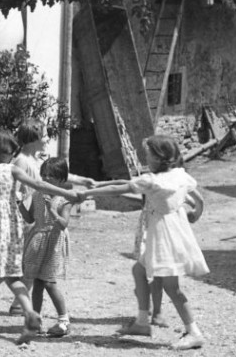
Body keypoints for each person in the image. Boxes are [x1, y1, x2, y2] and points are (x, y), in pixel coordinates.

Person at [0, 127, 80, 344]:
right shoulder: (11, 170)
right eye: (12, 150)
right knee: (12, 276)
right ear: (4, 151)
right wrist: (67, 192)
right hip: (6, 228)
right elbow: (38, 184)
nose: (13, 154)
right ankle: (30, 313)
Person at [82, 135, 208, 351]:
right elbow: (197, 197)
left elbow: (119, 190)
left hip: (164, 237)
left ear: (159, 158)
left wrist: (85, 193)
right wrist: (196, 212)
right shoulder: (178, 174)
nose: (145, 158)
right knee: (140, 271)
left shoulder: (152, 180)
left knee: (172, 287)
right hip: (174, 231)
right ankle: (142, 322)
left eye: (148, 154)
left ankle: (194, 332)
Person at [87, 181, 203, 328]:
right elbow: (198, 202)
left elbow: (195, 201)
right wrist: (195, 213)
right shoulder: (170, 179)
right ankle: (149, 310)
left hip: (158, 231)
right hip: (149, 228)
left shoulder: (167, 181)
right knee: (146, 272)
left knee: (154, 274)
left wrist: (93, 188)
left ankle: (154, 312)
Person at [8, 118, 94, 315]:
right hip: (30, 215)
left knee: (32, 263)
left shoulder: (36, 159)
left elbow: (61, 174)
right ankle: (15, 302)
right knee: (29, 263)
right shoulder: (22, 160)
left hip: (41, 214)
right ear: (33, 139)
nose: (47, 139)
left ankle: (17, 303)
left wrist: (84, 180)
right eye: (45, 135)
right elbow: (17, 188)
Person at [19, 158, 75, 336]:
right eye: (43, 175)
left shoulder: (64, 199)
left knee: (50, 283)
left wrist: (52, 209)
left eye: (50, 176)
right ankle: (35, 320)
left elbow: (63, 224)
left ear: (61, 179)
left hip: (54, 243)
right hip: (37, 240)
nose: (45, 178)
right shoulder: (37, 194)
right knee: (37, 282)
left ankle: (64, 321)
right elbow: (30, 219)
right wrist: (20, 205)